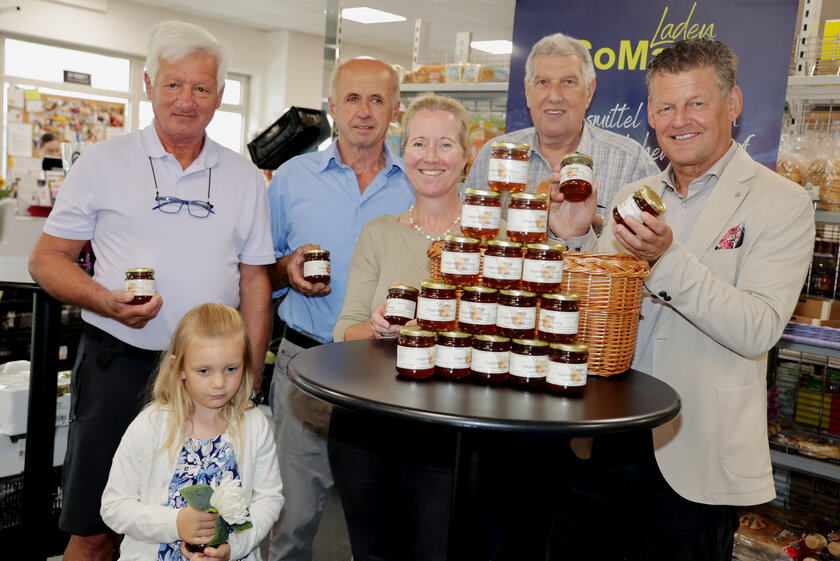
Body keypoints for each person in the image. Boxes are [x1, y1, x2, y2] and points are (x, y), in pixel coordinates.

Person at [546, 38, 815, 559]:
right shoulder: (632, 196)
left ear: (732, 104)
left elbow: (757, 326)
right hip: (601, 442)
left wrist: (666, 259)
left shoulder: (782, 203)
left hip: (695, 462)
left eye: (696, 103)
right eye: (666, 107)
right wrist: (576, 239)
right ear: (650, 114)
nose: (679, 120)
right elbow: (597, 311)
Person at [28, 20, 274, 561]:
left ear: (220, 96)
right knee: (95, 529)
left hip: (212, 381)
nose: (186, 100)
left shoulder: (243, 176)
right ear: (148, 85)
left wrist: (249, 376)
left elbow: (256, 279)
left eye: (201, 88)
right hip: (120, 365)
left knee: (209, 528)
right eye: (172, 84)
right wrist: (105, 301)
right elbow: (47, 260)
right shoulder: (102, 163)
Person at [267, 56, 414, 561]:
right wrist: (285, 266)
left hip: (385, 376)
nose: (365, 111)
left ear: (395, 110)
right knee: (291, 520)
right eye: (353, 98)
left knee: (378, 528)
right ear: (332, 107)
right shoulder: (290, 178)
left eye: (377, 99)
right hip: (303, 365)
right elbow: (256, 268)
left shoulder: (418, 182)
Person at [330, 94, 471, 561]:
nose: (430, 158)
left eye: (445, 144)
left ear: (467, 156)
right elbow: (343, 330)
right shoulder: (379, 231)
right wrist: (376, 329)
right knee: (371, 554)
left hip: (449, 430)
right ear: (403, 151)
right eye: (418, 143)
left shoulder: (493, 239)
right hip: (369, 427)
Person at [101, 303, 284, 561]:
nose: (219, 383)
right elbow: (114, 507)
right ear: (180, 368)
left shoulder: (254, 424)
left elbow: (269, 499)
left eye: (231, 369)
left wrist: (234, 548)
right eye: (204, 371)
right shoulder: (150, 425)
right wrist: (175, 523)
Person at [464, 32, 658, 232]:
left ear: (589, 92)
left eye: (568, 82)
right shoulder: (493, 157)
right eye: (542, 83)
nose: (554, 96)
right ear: (528, 91)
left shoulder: (632, 163)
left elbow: (652, 252)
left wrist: (596, 224)